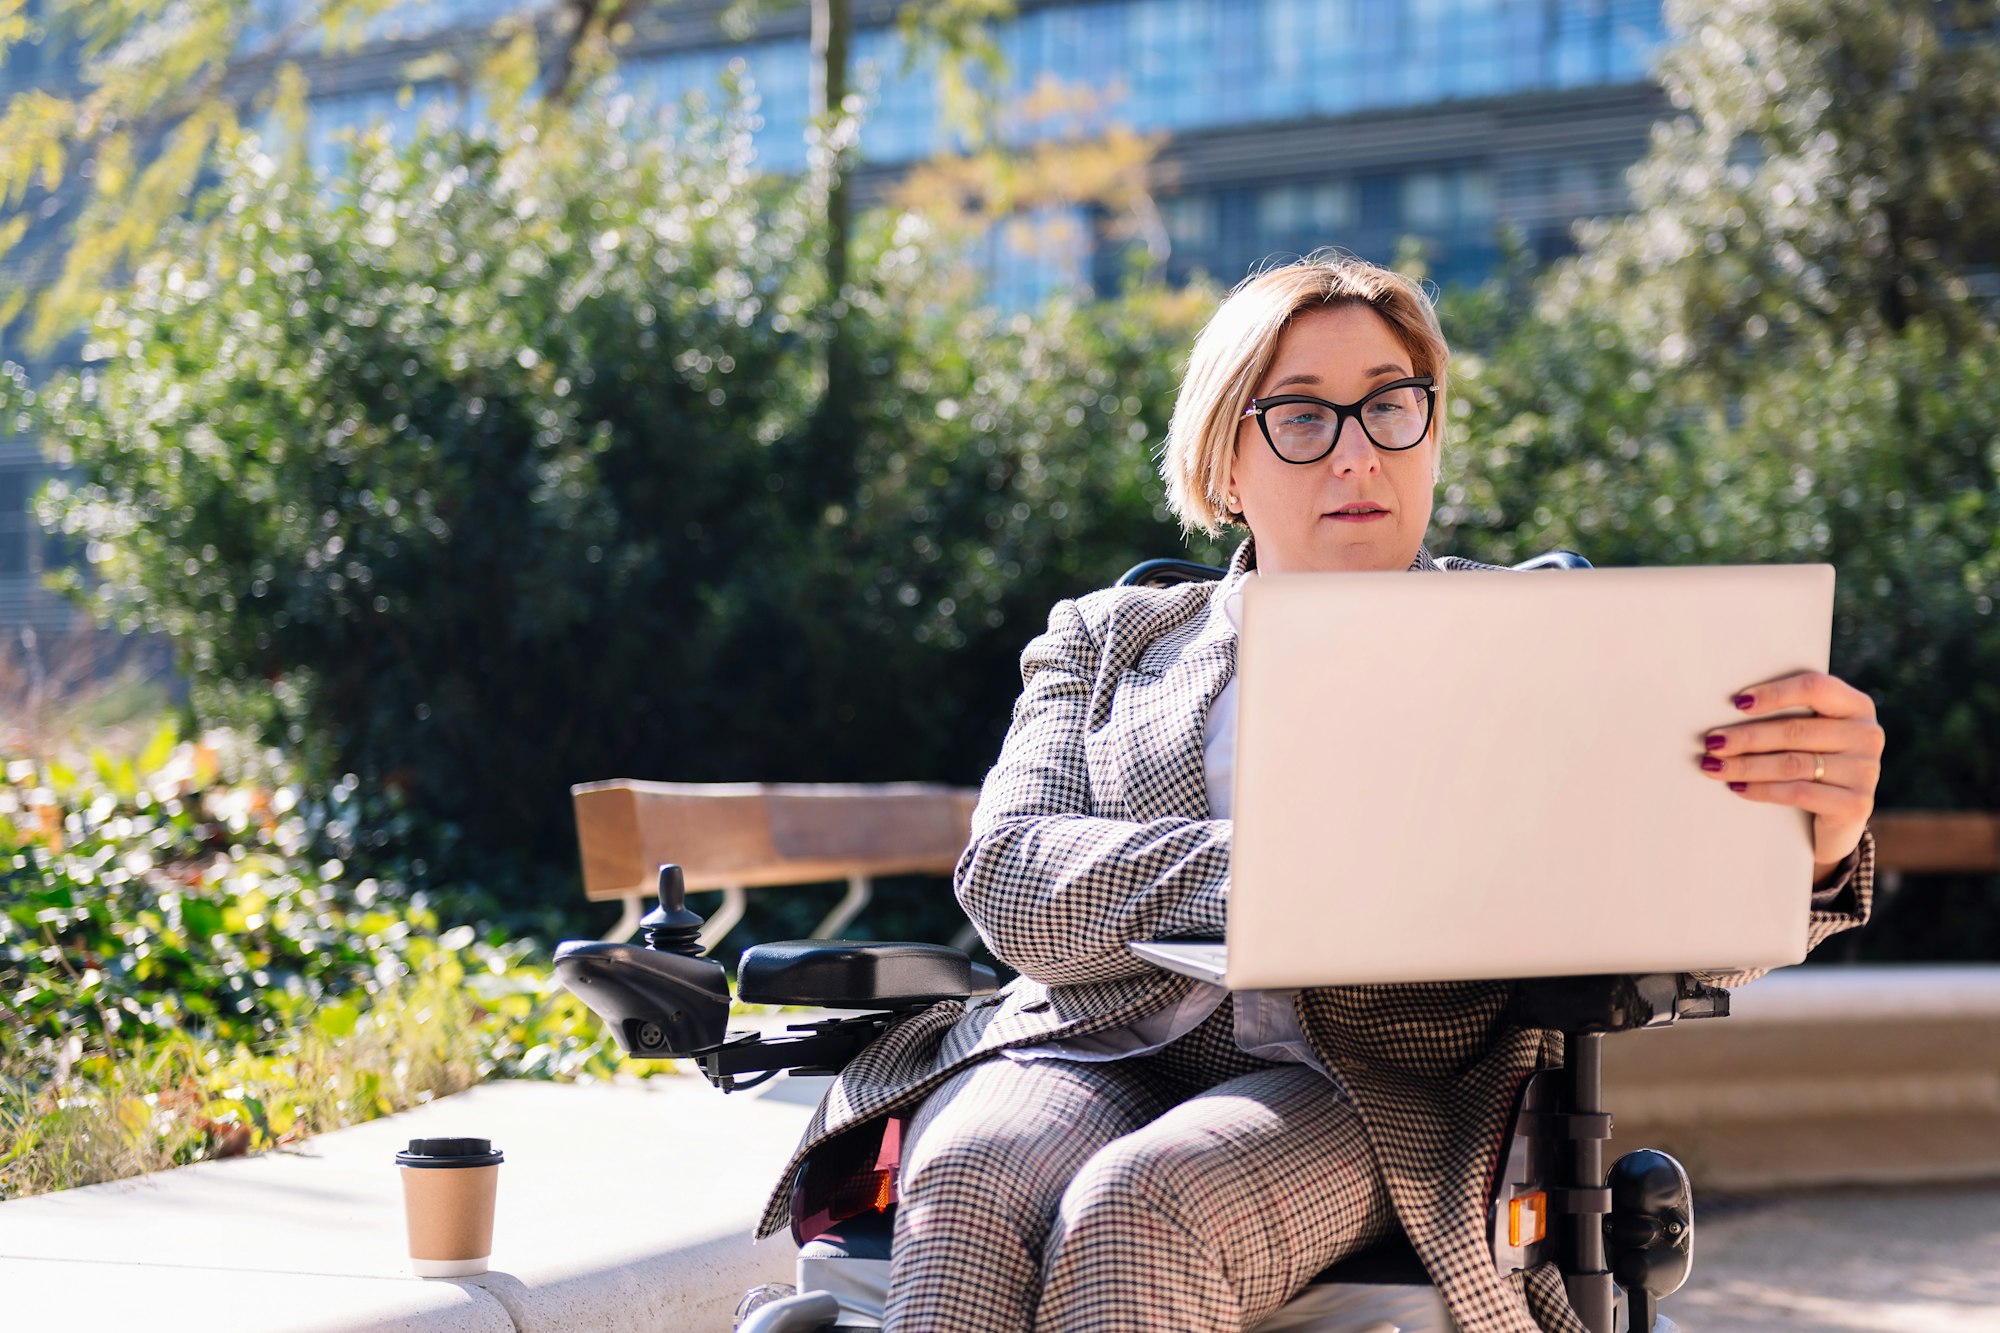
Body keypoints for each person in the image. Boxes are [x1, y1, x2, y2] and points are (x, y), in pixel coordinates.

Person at [754, 252, 1881, 1333]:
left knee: (1141, 1207)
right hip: (1090, 1042)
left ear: (1431, 431)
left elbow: (1681, 927)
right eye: (1300, 417)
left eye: (1392, 407)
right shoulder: (1105, 638)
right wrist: (1292, 860)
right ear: (1222, 467)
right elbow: (1011, 883)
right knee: (962, 1181)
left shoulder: (1536, 646)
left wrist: (1813, 842)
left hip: (1372, 1086)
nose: (1357, 457)